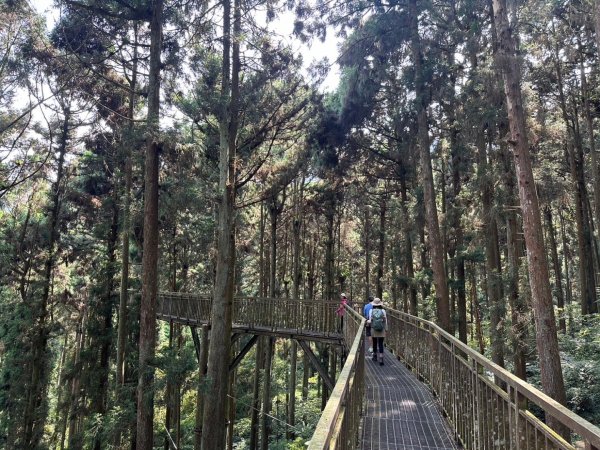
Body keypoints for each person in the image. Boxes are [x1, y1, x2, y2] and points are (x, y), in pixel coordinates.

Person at [367, 297, 387, 366]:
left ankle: (375, 355)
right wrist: (386, 329)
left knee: (374, 342)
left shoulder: (371, 311)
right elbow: (385, 321)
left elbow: (370, 320)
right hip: (381, 329)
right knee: (381, 343)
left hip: (373, 329)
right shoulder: (383, 311)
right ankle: (381, 358)